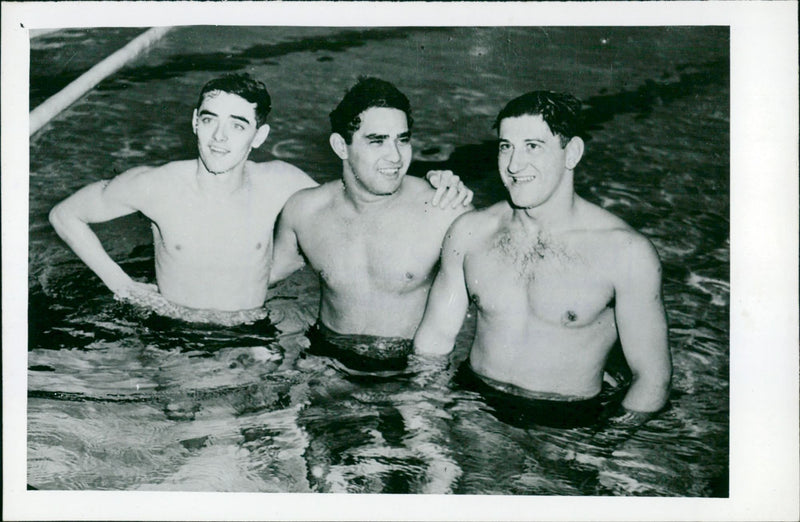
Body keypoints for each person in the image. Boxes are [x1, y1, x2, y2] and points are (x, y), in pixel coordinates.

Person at [48, 73, 470, 324]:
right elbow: (66, 215)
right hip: (170, 326)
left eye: (237, 124)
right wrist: (121, 285)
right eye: (210, 120)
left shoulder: (282, 184)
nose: (219, 137)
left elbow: (354, 201)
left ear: (259, 136)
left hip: (249, 330)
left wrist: (436, 180)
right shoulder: (155, 185)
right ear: (195, 122)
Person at [414, 90, 672, 427]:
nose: (514, 165)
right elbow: (434, 343)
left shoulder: (625, 253)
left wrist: (602, 448)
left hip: (567, 420)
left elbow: (653, 380)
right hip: (473, 402)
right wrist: (423, 423)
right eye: (506, 146)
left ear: (572, 153)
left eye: (532, 146)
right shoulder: (469, 233)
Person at [270, 77, 473, 370]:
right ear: (341, 146)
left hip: (410, 367)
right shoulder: (304, 211)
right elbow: (260, 282)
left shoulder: (444, 210)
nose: (395, 156)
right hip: (325, 357)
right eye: (377, 141)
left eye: (402, 139)